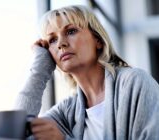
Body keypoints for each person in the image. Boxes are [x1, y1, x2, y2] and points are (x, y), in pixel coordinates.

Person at [15, 5, 159, 140]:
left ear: (98, 40)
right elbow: (16, 130)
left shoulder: (135, 83)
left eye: (71, 31)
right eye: (52, 40)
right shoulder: (66, 111)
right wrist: (40, 69)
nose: (61, 44)